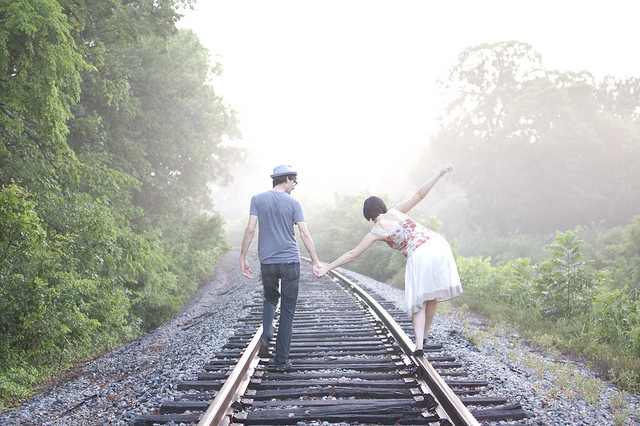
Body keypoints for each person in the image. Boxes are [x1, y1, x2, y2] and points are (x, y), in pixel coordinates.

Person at [316, 164, 462, 357]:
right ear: (382, 206)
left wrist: (327, 268)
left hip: (420, 253)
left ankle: (419, 346)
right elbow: (419, 195)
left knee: (419, 300)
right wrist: (439, 173)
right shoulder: (397, 211)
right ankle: (425, 336)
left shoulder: (376, 231)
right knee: (431, 295)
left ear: (368, 215)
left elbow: (353, 254)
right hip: (438, 244)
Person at [239, 164, 322, 371]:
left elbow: (250, 230)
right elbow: (304, 233)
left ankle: (267, 333)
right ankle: (281, 361)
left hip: (267, 261)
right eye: (294, 181)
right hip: (290, 262)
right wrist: (315, 260)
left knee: (269, 299)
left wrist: (242, 257)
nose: (294, 186)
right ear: (286, 179)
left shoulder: (257, 199)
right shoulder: (293, 203)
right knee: (287, 310)